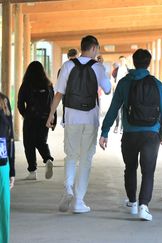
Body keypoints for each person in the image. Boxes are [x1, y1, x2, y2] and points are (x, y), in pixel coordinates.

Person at [99, 49, 162, 221]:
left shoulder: (124, 83)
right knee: (148, 171)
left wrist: (105, 131)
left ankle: (132, 203)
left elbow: (113, 108)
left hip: (130, 134)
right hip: (151, 134)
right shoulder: (156, 83)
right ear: (148, 63)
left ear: (134, 63)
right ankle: (143, 206)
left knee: (130, 168)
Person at [46, 35, 111, 214]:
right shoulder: (98, 67)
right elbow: (107, 89)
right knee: (86, 159)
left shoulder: (68, 65)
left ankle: (67, 188)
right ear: (94, 48)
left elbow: (59, 93)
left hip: (71, 117)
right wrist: (102, 68)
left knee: (71, 155)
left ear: (82, 47)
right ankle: (78, 201)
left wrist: (51, 114)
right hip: (90, 119)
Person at [18, 61, 56, 180]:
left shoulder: (27, 83)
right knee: (41, 141)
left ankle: (32, 172)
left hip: (31, 117)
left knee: (29, 143)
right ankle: (48, 158)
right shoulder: (48, 84)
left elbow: (20, 103)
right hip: (45, 117)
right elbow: (53, 103)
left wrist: (25, 114)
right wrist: (52, 117)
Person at [0, 93, 15, 243]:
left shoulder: (4, 100)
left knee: (3, 210)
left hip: (2, 165)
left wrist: (12, 170)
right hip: (2, 164)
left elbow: (10, 139)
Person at [113, 56, 129, 134]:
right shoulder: (116, 70)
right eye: (121, 60)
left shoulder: (128, 71)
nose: (122, 62)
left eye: (123, 60)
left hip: (126, 92)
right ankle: (116, 125)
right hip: (117, 91)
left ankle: (122, 127)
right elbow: (113, 79)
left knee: (124, 110)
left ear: (125, 61)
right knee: (116, 109)